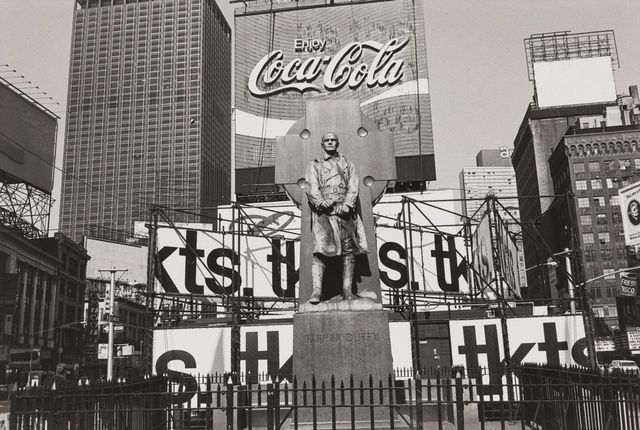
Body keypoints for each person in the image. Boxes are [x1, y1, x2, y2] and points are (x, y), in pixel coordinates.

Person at [304, 132, 368, 303]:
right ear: (322, 144)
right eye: (327, 140)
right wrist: (320, 202)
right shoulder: (314, 164)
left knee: (348, 251)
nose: (330, 142)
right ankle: (317, 292)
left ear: (338, 143)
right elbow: (311, 185)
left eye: (333, 140)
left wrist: (347, 204)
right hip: (324, 213)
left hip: (344, 212)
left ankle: (347, 291)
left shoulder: (348, 164)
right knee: (320, 250)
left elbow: (353, 186)